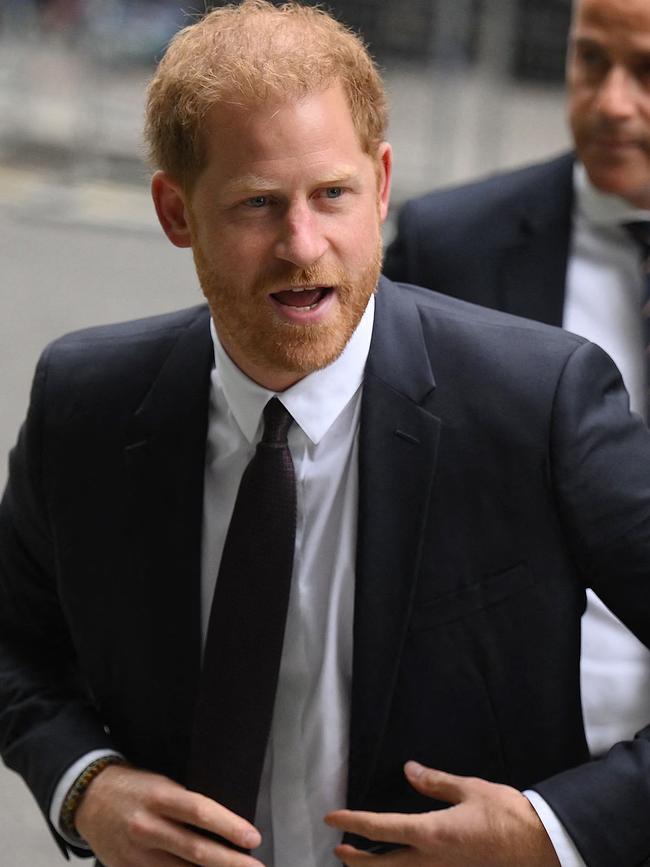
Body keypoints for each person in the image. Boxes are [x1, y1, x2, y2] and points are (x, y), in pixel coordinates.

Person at [1, 2, 650, 866]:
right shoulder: (87, 400)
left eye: (333, 195)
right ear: (175, 210)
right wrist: (86, 784)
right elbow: (14, 644)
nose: (303, 246)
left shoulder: (539, 401)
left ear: (382, 184)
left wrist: (552, 831)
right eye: (258, 204)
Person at [384, 0, 650, 762]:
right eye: (591, 58)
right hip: (498, 777)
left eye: (647, 72)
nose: (610, 103)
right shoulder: (452, 246)